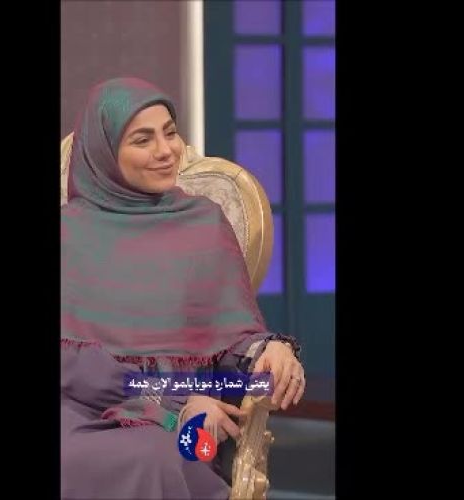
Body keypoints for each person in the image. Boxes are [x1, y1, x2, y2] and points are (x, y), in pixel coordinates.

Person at [60, 77, 305, 499]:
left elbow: (229, 337)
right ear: (105, 153)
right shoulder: (68, 234)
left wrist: (270, 350)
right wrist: (159, 399)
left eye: (170, 132)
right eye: (143, 140)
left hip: (183, 418)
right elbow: (72, 364)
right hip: (77, 406)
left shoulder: (204, 224)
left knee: (155, 457)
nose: (166, 151)